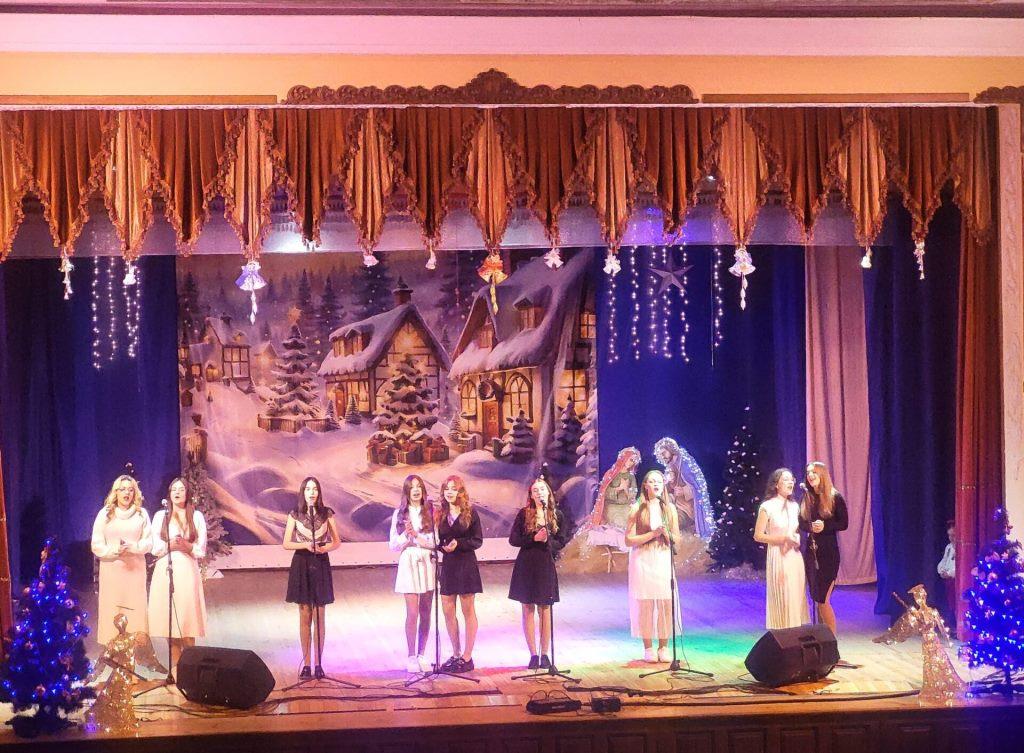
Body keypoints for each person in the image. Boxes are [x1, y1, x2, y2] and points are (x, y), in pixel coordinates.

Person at [508, 470, 573, 669]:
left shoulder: (557, 515)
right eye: (535, 490)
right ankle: (533, 654)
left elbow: (562, 540)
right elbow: (514, 539)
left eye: (542, 490)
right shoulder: (524, 514)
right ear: (531, 494)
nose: (539, 493)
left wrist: (548, 542)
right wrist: (533, 538)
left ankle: (545, 653)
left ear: (548, 493)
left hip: (545, 564)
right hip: (527, 564)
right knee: (527, 608)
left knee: (545, 608)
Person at [282, 476, 341, 680]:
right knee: (305, 613)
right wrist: (305, 545)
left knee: (319, 614)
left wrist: (325, 548)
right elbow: (286, 543)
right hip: (302, 563)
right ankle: (306, 664)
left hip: (320, 562)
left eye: (315, 489)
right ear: (303, 492)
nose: (312, 492)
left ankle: (319, 664)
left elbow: (337, 542)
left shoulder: (326, 514)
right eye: (308, 489)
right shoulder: (295, 514)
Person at [148, 477, 208, 672]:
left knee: (187, 623)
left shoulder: (196, 516)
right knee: (171, 626)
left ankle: (191, 671)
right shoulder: (161, 516)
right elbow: (154, 547)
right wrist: (170, 545)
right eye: (174, 489)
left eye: (181, 489)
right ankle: (176, 672)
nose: (177, 492)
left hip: (187, 573)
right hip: (165, 572)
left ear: (187, 493)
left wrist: (187, 545)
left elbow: (201, 549)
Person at [625, 470, 682, 663]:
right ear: (645, 485)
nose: (656, 484)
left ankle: (664, 647)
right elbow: (628, 539)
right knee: (646, 603)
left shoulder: (670, 509)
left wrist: (666, 534)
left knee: (665, 602)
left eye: (659, 481)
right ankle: (648, 647)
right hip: (643, 559)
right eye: (652, 481)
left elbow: (677, 540)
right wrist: (652, 534)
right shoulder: (637, 508)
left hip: (663, 558)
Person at [90, 474, 152, 645]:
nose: (127, 493)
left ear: (135, 493)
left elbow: (148, 542)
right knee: (113, 611)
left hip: (134, 572)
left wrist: (133, 547)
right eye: (123, 489)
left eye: (130, 490)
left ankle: (133, 658)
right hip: (112, 573)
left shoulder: (141, 514)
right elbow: (96, 544)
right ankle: (115, 658)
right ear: (115, 492)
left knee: (134, 613)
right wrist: (114, 551)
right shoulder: (105, 514)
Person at [389, 475, 436, 674]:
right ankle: (411, 656)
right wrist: (406, 536)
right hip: (408, 562)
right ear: (407, 492)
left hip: (427, 562)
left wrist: (418, 537)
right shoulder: (399, 514)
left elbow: (435, 542)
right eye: (412, 487)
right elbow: (393, 545)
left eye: (419, 487)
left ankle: (422, 653)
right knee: (413, 612)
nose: (416, 490)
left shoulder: (431, 512)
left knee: (426, 611)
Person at [436, 475, 483, 673]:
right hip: (448, 565)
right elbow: (437, 540)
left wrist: (459, 544)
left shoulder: (470, 512)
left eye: (453, 489)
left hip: (466, 564)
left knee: (467, 610)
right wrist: (442, 547)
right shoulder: (440, 513)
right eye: (447, 489)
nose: (449, 492)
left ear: (460, 491)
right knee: (448, 610)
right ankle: (455, 654)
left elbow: (477, 540)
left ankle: (467, 656)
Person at [753, 468, 809, 630]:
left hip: (794, 556)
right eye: (785, 479)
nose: (790, 482)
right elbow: (758, 535)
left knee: (795, 596)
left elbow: (796, 531)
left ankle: (796, 634)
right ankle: (783, 634)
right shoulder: (767, 506)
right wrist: (782, 539)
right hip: (778, 555)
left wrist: (796, 539)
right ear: (776, 484)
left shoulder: (795, 506)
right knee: (783, 596)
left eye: (792, 479)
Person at [798, 461, 849, 635]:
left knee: (823, 599)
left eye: (814, 472)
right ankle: (822, 638)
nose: (810, 475)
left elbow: (844, 523)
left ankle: (831, 641)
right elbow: (801, 523)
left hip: (828, 553)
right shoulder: (807, 497)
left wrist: (825, 526)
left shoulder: (835, 497)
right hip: (812, 552)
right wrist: (810, 527)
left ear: (822, 475)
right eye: (808, 472)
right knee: (816, 598)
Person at [937, 519, 956, 622]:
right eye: (949, 535)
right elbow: (944, 561)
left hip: (954, 580)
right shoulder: (948, 547)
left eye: (953, 535)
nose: (951, 538)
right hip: (947, 580)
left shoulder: (961, 548)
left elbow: (960, 567)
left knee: (955, 604)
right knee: (948, 604)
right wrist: (941, 570)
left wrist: (949, 573)